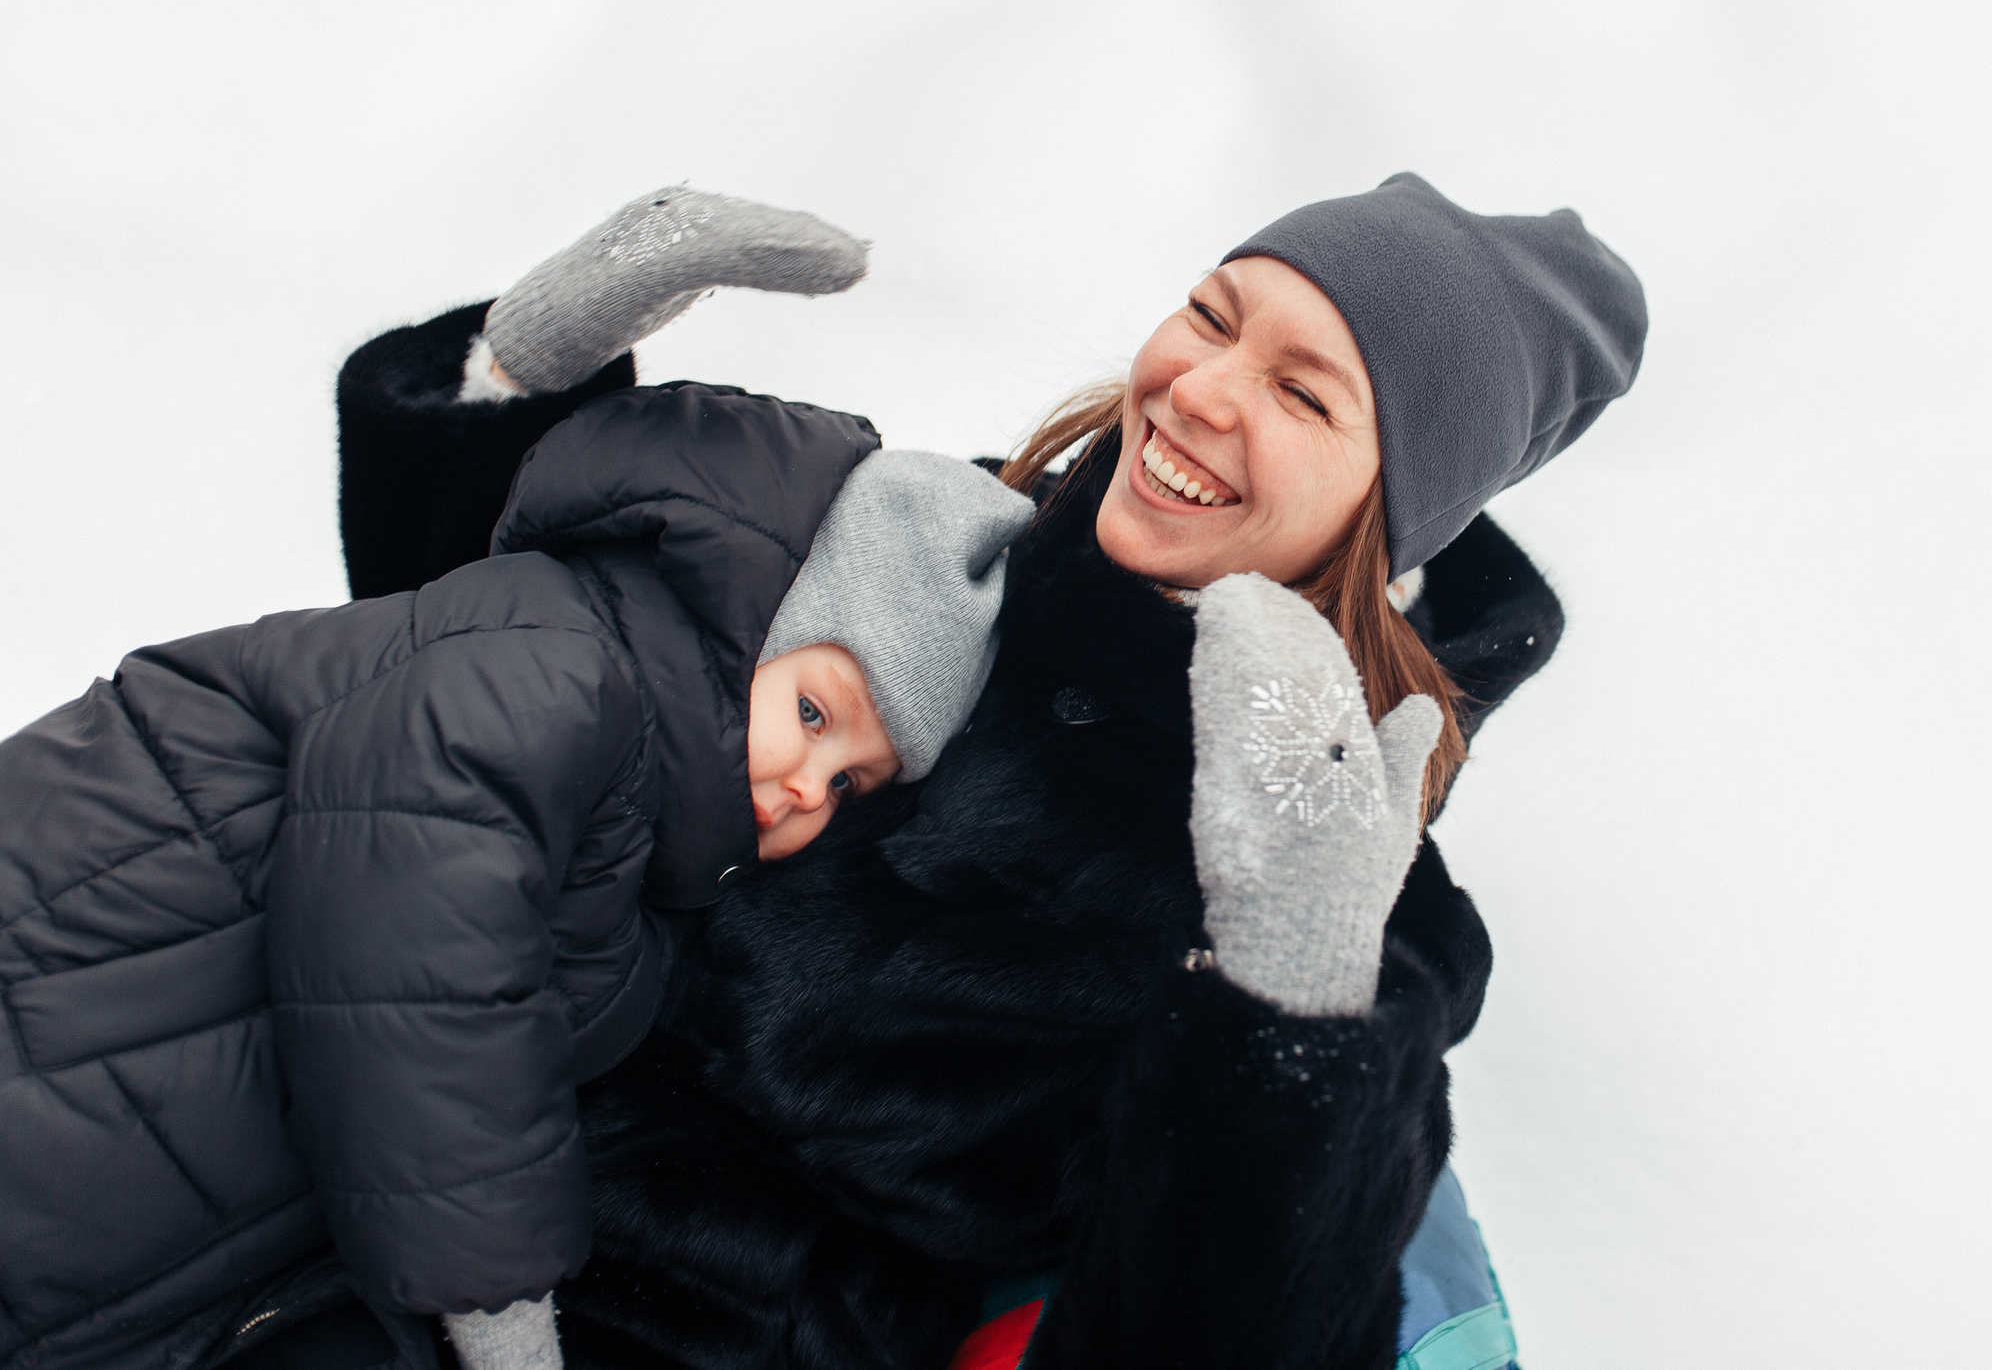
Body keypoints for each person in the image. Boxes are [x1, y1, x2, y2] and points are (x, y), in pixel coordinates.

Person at [325, 172, 1646, 1370]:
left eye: (1302, 393)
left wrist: (1286, 993)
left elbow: (1216, 1326)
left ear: (1392, 510)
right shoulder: (927, 534)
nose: (1199, 387)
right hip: (356, 1137)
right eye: (1210, 312)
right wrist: (513, 383)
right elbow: (490, 703)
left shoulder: (1349, 887)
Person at [0, 206, 1037, 1370]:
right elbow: (416, 956)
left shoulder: (646, 839)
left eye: (854, 782)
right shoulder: (561, 669)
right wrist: (494, 1299)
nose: (808, 787)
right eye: (811, 716)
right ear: (757, 619)